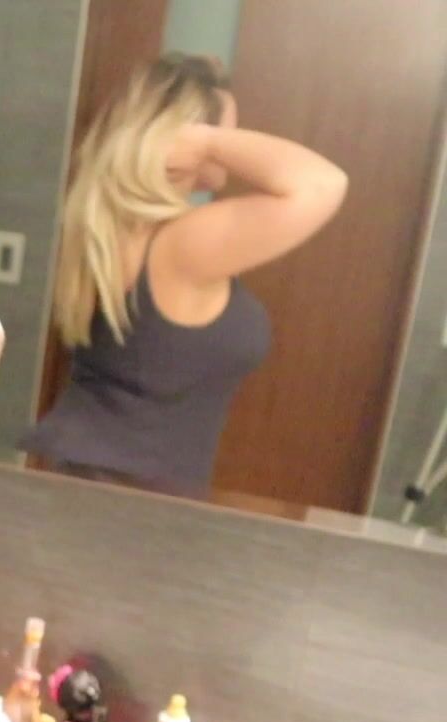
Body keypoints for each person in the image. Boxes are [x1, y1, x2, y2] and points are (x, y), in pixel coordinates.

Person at [24, 53, 347, 497]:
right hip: (132, 496)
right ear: (187, 132)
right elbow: (321, 185)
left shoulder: (107, 226)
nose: (234, 144)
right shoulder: (180, 243)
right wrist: (208, 142)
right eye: (227, 130)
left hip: (89, 480)